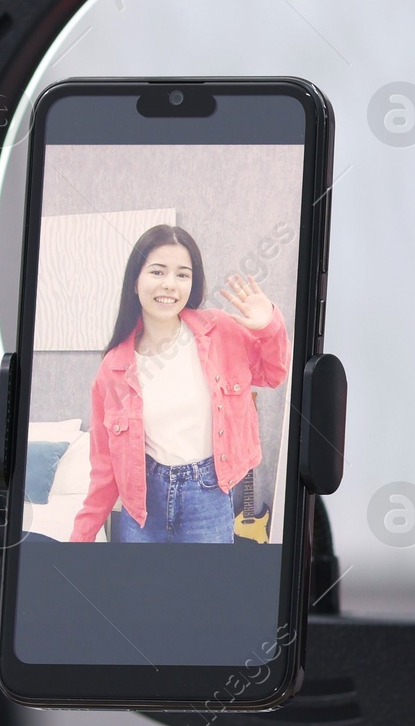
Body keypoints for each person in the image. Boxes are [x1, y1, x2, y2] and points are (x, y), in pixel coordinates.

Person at [69, 224, 289, 544]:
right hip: (143, 505)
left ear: (192, 283)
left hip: (209, 496)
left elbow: (274, 374)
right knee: (143, 593)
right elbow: (104, 470)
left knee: (204, 593)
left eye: (182, 274)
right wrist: (81, 538)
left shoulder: (221, 331)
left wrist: (269, 325)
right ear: (135, 281)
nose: (170, 284)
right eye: (158, 272)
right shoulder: (112, 371)